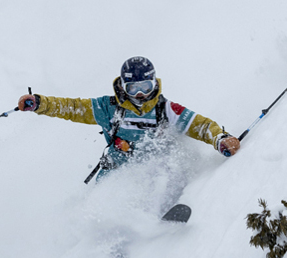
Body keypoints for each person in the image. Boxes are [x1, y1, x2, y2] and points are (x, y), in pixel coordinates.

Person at [18, 56, 240, 179]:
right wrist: (40, 103)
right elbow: (72, 108)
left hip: (154, 169)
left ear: (154, 83)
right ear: (124, 86)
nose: (141, 94)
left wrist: (220, 138)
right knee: (103, 198)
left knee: (166, 170)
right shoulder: (109, 108)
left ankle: (162, 214)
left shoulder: (166, 109)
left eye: (145, 86)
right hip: (117, 168)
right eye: (134, 88)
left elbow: (200, 126)